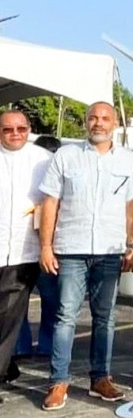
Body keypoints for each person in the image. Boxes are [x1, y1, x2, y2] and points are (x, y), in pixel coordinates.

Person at [39, 102, 133, 411]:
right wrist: (46, 246)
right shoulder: (66, 156)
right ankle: (58, 381)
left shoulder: (129, 161)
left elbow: (132, 208)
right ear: (86, 122)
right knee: (65, 317)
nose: (99, 123)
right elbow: (50, 202)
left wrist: (132, 245)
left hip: (111, 251)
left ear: (115, 124)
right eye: (93, 118)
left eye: (105, 118)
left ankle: (100, 379)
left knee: (106, 318)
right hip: (71, 249)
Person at [0, 111, 53, 403]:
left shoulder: (43, 160)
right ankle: (7, 365)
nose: (15, 133)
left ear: (29, 129)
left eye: (21, 128)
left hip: (23, 252)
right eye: (8, 129)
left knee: (8, 317)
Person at [14, 135, 61, 360]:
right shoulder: (56, 176)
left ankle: (20, 344)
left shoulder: (24, 175)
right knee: (51, 301)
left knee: (17, 302)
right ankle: (47, 344)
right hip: (48, 248)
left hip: (21, 249)